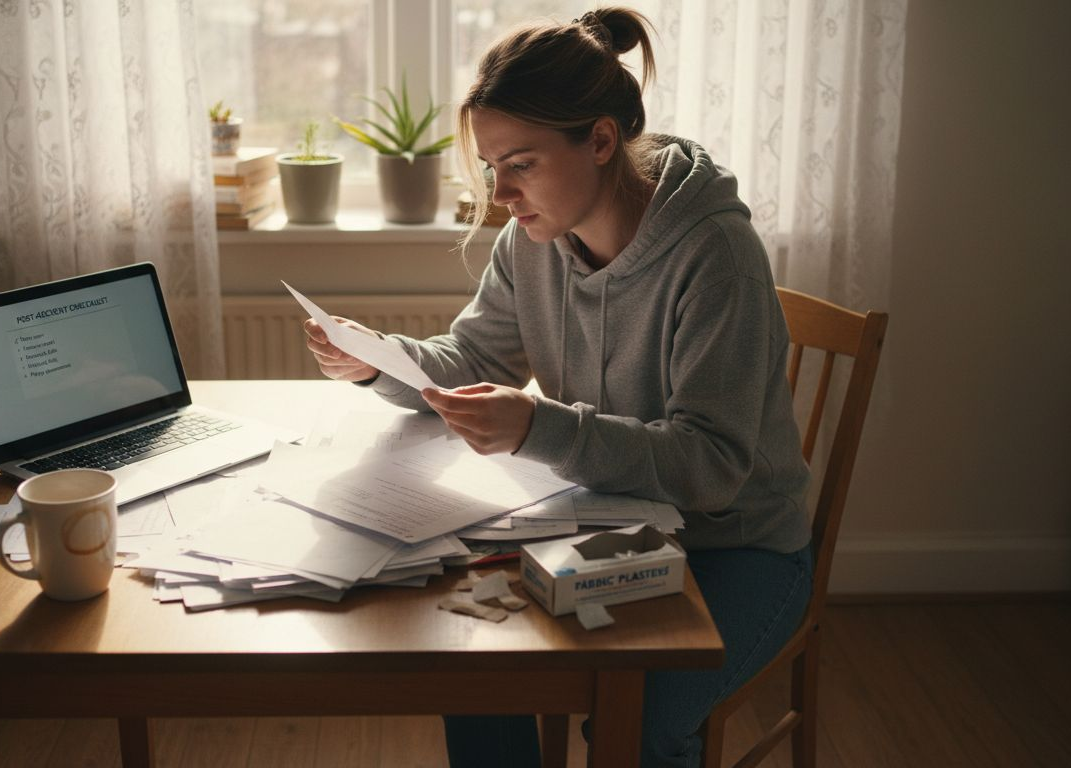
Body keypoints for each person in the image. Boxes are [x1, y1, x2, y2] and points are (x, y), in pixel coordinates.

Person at [304, 7, 813, 767]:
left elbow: (711, 466)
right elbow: (475, 359)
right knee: (473, 668)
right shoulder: (533, 240)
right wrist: (380, 361)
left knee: (639, 722)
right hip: (606, 521)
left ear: (601, 140)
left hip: (734, 547)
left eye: (522, 162)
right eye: (490, 167)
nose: (502, 192)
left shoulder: (716, 257)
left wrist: (539, 428)